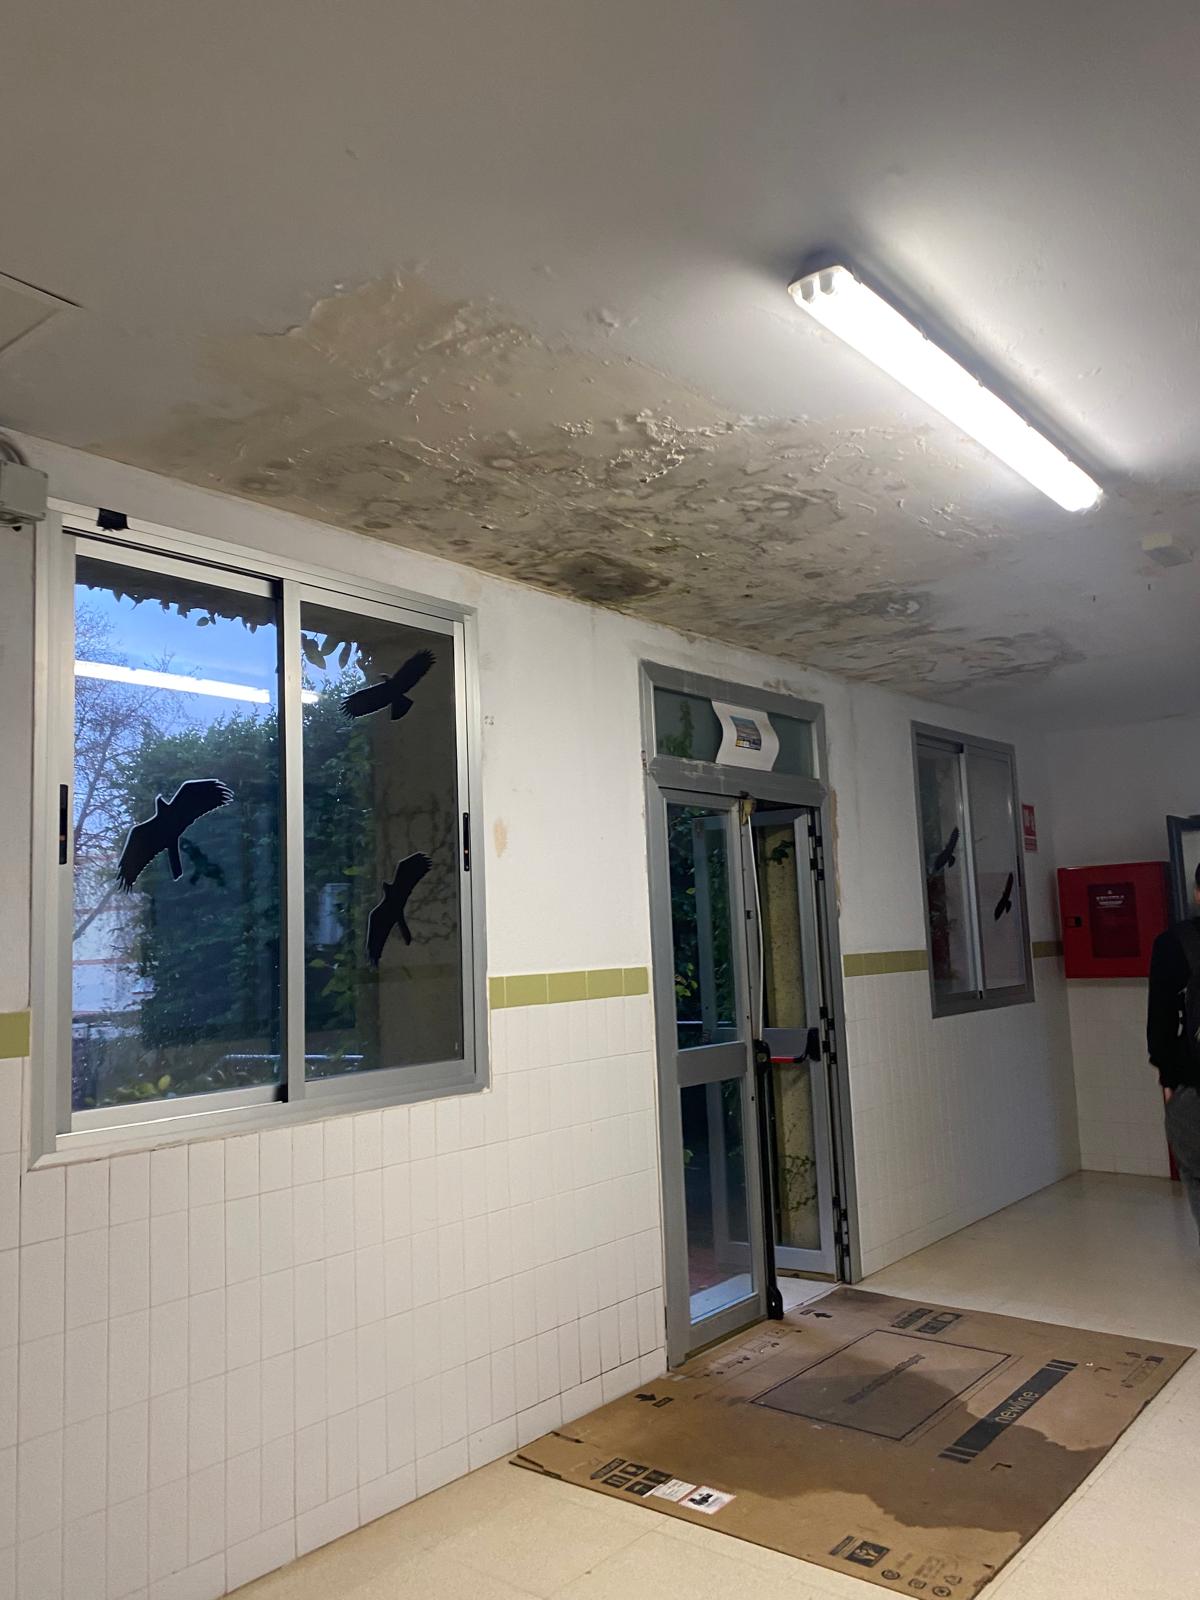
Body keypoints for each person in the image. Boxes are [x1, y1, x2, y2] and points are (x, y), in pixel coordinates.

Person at [1148, 862, 1200, 1236]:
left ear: (1197, 893)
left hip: (1192, 1082)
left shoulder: (1173, 943)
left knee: (1197, 1172)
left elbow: (1160, 1021)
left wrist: (1168, 1078)